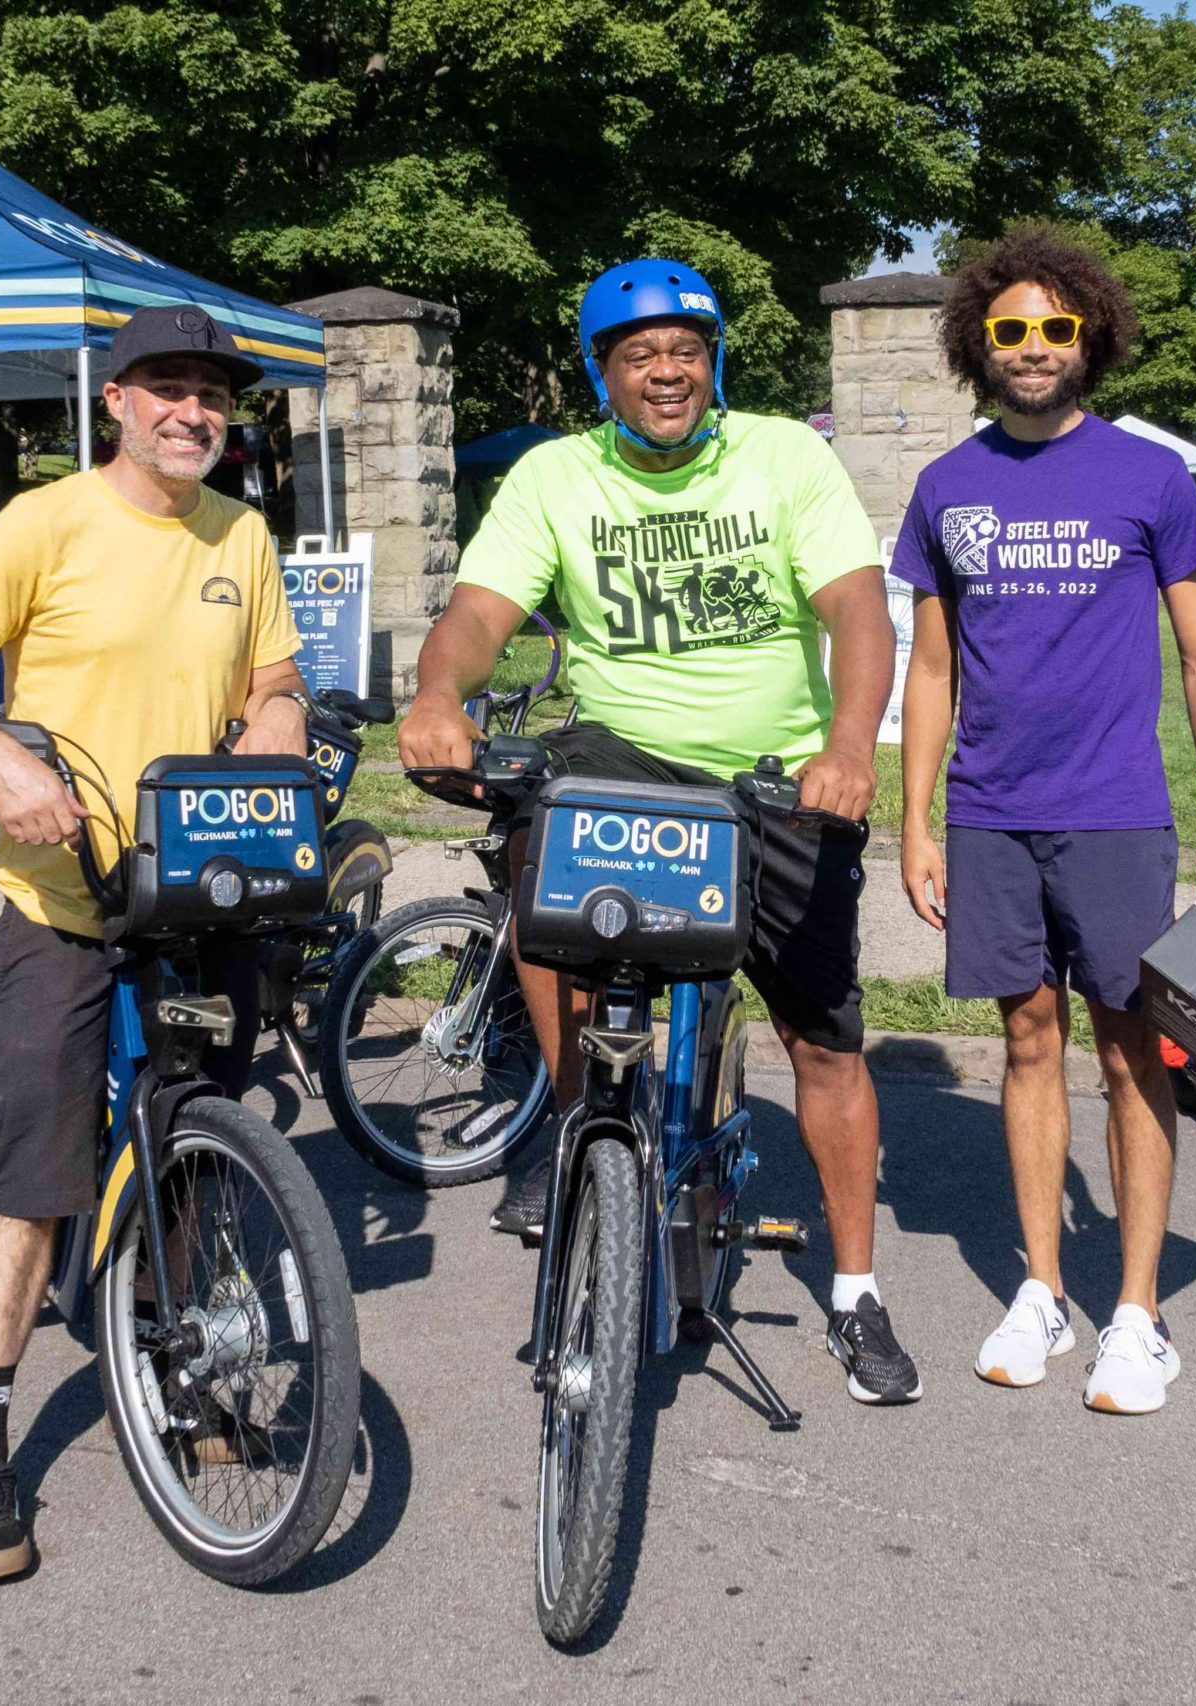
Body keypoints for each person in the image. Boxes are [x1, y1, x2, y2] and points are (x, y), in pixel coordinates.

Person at [396, 259, 922, 1407]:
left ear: (713, 359)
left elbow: (850, 603)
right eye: (639, 353)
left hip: (779, 775)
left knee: (824, 1038)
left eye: (685, 347)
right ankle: (585, 1115)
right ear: (604, 373)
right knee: (541, 873)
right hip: (625, 755)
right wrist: (440, 692)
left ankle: (854, 1289)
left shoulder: (784, 454)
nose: (666, 368)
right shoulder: (555, 476)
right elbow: (479, 611)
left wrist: (847, 746)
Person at [0, 304, 313, 1584]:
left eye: (211, 395)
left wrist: (278, 719)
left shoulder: (244, 532)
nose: (192, 411)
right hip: (62, 897)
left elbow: (271, 681)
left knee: (193, 1144)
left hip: (202, 891)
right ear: (116, 400)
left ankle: (179, 1351)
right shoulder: (45, 523)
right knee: (33, 1175)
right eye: (167, 389)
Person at [891, 228, 1196, 1417]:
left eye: (1055, 326)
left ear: (1088, 334)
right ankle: (1043, 1287)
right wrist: (918, 820)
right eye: (1010, 328)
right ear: (976, 344)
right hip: (992, 815)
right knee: (1027, 1040)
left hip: (1114, 815)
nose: (1034, 346)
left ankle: (1139, 1313)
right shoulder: (947, 485)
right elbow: (932, 671)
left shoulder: (1148, 477)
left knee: (1128, 1046)